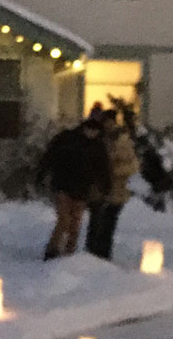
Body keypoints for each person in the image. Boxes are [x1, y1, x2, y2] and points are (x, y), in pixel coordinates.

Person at [38, 118, 111, 260]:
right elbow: (50, 156)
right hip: (62, 185)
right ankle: (52, 250)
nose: (92, 134)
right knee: (64, 219)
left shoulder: (98, 146)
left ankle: (69, 253)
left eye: (95, 132)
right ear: (84, 128)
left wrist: (105, 187)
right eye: (90, 130)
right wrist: (42, 173)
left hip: (82, 189)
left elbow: (103, 169)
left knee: (75, 223)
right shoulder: (67, 139)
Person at [85, 111, 139, 259]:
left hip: (116, 190)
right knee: (95, 221)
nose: (107, 125)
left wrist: (113, 170)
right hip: (98, 190)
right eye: (105, 122)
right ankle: (91, 254)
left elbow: (133, 165)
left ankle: (103, 254)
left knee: (107, 224)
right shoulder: (99, 138)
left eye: (110, 122)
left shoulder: (122, 140)